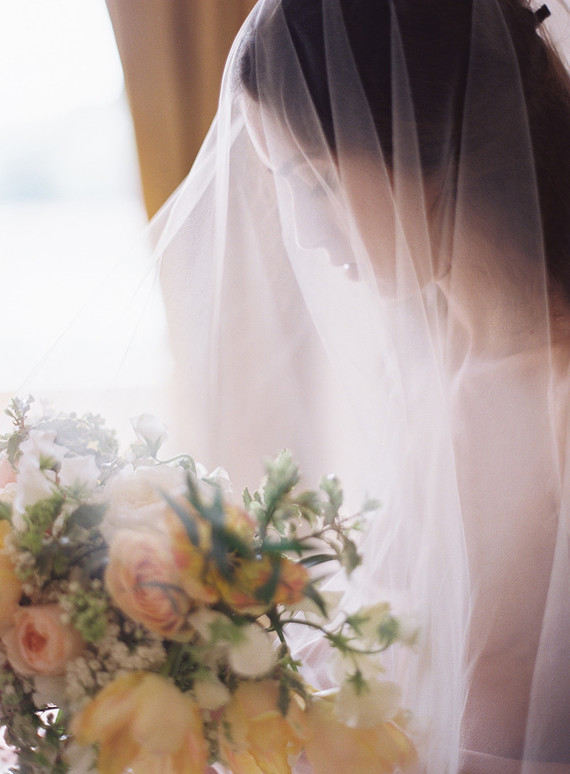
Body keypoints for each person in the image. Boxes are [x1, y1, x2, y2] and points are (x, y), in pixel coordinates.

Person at [23, 0, 570, 771]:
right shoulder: (442, 364)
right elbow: (399, 649)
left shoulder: (556, 400)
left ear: (418, 135)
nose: (307, 233)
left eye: (313, 183)